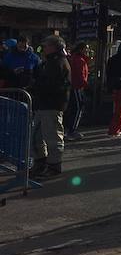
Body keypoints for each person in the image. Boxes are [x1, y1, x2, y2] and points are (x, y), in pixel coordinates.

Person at [29, 35, 71, 178]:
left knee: (52, 136)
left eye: (45, 45)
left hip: (52, 104)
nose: (43, 48)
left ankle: (54, 165)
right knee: (37, 135)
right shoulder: (49, 62)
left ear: (53, 47)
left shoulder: (59, 62)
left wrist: (37, 88)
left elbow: (54, 85)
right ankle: (40, 162)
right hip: (43, 104)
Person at [65, 42, 90, 141]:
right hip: (76, 86)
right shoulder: (79, 60)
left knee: (75, 107)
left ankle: (71, 128)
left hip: (76, 86)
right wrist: (86, 85)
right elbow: (80, 75)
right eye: (86, 49)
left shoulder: (77, 59)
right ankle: (72, 130)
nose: (87, 51)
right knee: (77, 107)